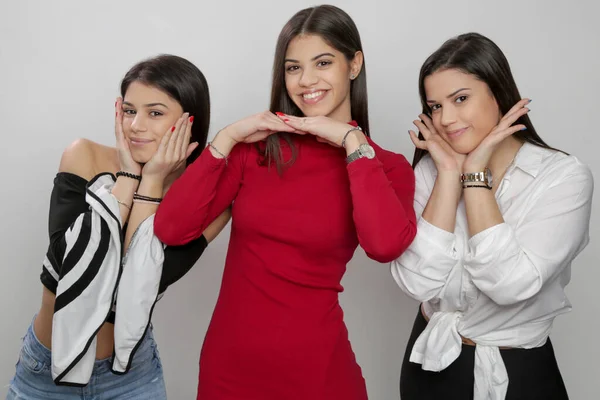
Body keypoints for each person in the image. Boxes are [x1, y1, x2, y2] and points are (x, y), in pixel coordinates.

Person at [153, 5, 417, 400]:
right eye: (293, 68)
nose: (306, 80)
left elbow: (384, 246)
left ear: (354, 63)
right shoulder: (257, 150)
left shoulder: (384, 166)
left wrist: (353, 143)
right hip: (230, 372)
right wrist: (226, 140)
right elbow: (171, 229)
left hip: (318, 374)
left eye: (323, 62)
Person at [6, 54, 230, 400]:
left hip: (131, 378)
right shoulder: (85, 157)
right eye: (129, 111)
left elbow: (131, 285)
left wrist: (152, 181)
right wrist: (128, 176)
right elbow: (77, 270)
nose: (135, 126)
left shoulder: (203, 204)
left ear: (189, 122)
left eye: (154, 113)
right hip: (45, 374)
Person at [391, 32, 593, 400]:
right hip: (428, 363)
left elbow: (510, 286)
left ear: (498, 93)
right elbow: (417, 284)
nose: (446, 119)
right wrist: (451, 175)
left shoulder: (562, 178)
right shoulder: (431, 172)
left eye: (461, 99)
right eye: (435, 106)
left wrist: (475, 177)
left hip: (518, 372)